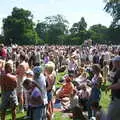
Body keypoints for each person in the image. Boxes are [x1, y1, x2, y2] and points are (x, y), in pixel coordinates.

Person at [106, 56, 120, 120]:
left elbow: (119, 85)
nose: (112, 63)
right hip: (117, 98)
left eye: (114, 62)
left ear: (117, 62)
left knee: (109, 117)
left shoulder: (119, 71)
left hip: (117, 98)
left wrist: (109, 87)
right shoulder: (117, 71)